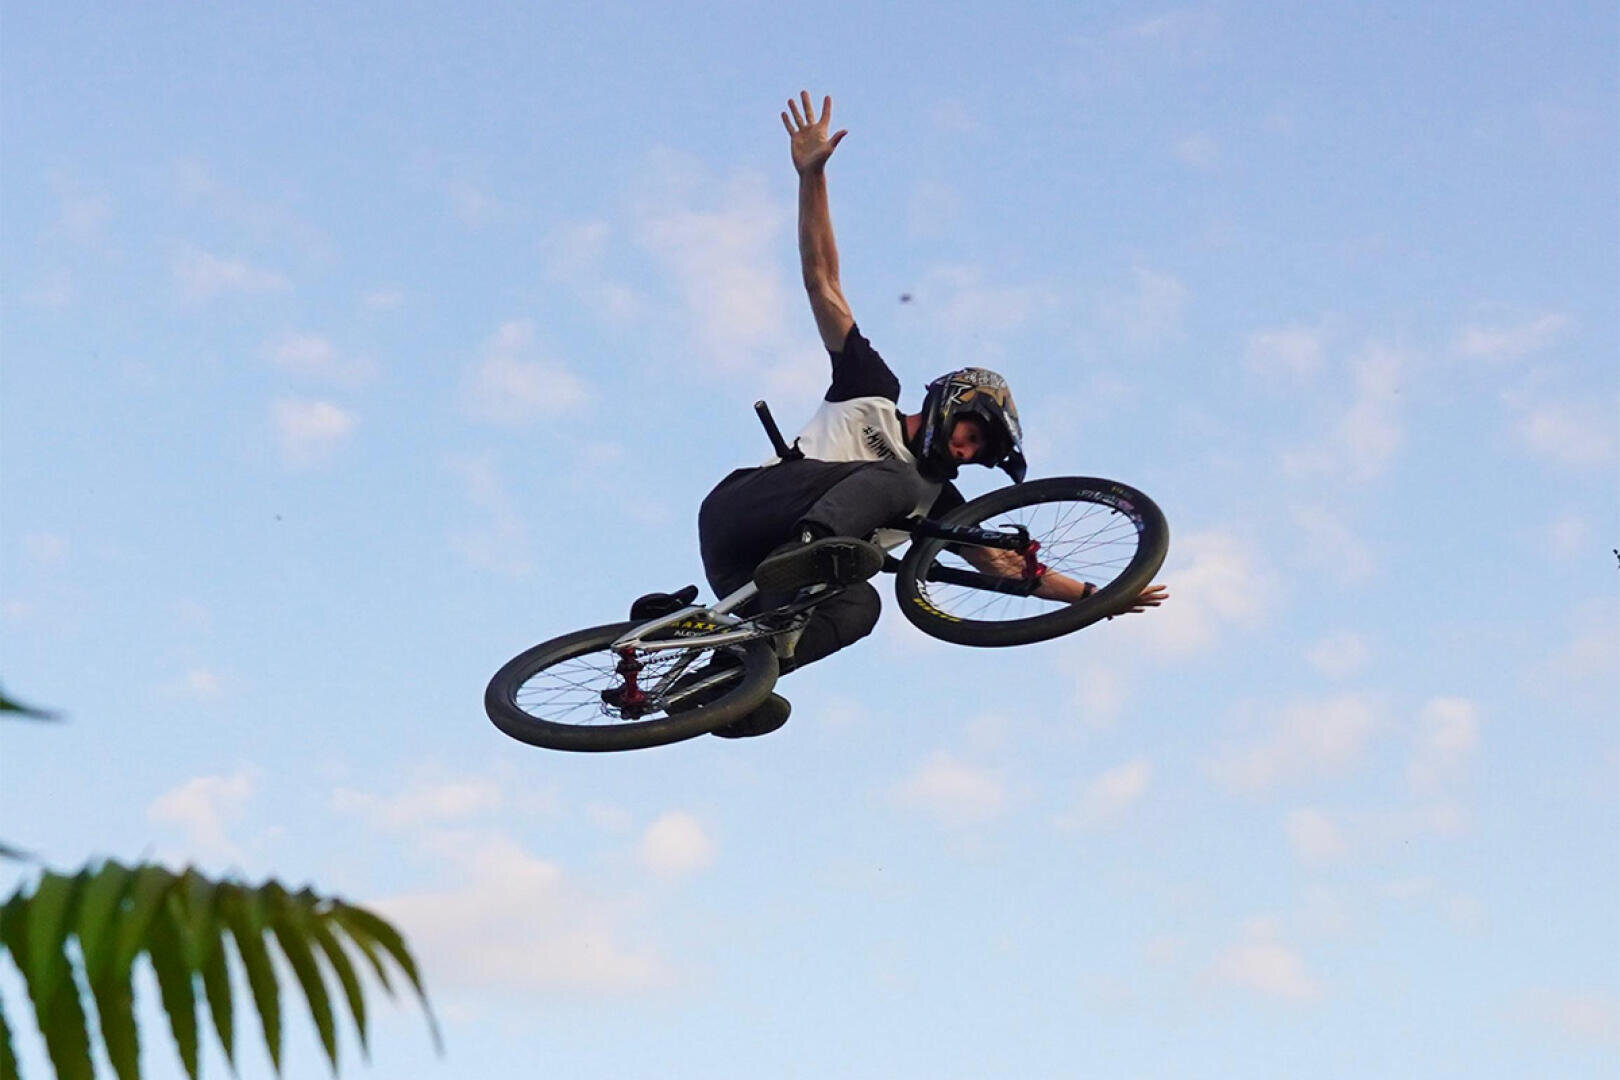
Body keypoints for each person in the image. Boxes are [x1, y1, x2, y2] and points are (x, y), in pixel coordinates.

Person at [690, 92, 1167, 738]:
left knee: (862, 607)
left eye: (976, 453)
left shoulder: (940, 503)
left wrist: (1098, 598)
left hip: (755, 582)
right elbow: (822, 280)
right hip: (749, 512)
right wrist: (812, 177)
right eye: (972, 436)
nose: (966, 454)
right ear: (952, 403)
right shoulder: (870, 389)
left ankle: (723, 685)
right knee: (905, 482)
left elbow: (1004, 569)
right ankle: (809, 552)